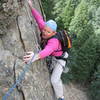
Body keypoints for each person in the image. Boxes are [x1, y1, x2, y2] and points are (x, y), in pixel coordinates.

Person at [23, 0, 68, 100]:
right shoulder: (45, 27)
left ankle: (61, 97)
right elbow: (38, 18)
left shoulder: (54, 42)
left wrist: (35, 56)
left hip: (60, 59)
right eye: (44, 29)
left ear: (53, 33)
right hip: (53, 56)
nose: (44, 32)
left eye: (48, 32)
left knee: (54, 80)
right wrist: (31, 6)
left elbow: (47, 51)